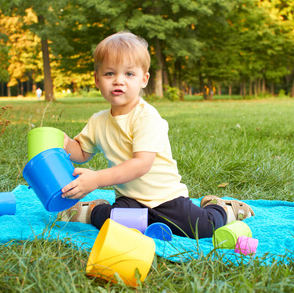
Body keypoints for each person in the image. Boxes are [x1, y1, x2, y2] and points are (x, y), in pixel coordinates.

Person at [58, 31, 254, 238]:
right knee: (117, 227)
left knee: (202, 228)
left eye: (129, 74)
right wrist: (64, 143)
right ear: (97, 80)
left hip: (164, 198)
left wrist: (97, 179)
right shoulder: (98, 121)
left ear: (144, 79)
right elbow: (81, 152)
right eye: (109, 74)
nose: (118, 81)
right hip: (130, 199)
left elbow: (141, 164)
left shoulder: (146, 117)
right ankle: (92, 210)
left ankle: (222, 208)